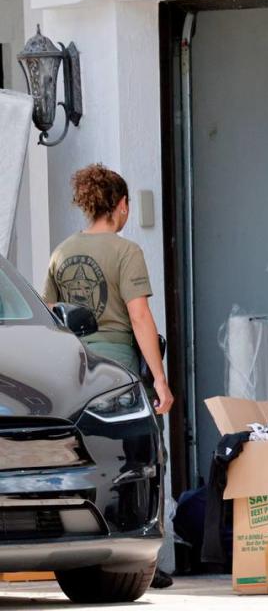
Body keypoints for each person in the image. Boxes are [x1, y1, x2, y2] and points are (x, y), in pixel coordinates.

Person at [42, 164, 175, 589]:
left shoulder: (61, 253)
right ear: (120, 206)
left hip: (74, 370)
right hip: (118, 369)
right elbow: (139, 317)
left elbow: (50, 319)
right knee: (139, 458)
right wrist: (159, 378)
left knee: (89, 461)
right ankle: (140, 560)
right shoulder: (126, 252)